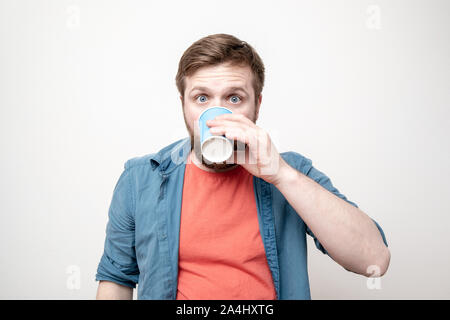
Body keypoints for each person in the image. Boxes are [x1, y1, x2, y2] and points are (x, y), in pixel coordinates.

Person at [95, 33, 390, 300]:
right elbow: (116, 280)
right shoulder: (140, 180)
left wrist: (282, 175)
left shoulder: (291, 172)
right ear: (183, 104)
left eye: (234, 98)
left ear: (257, 106)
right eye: (201, 98)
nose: (216, 114)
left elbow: (373, 260)